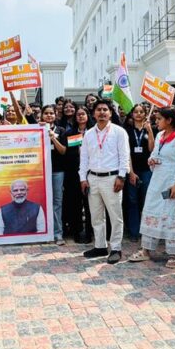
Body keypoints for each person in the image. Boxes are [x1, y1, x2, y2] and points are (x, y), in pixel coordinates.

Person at [130, 108, 175, 268]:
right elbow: (154, 155)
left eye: (159, 119)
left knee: (171, 214)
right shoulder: (159, 136)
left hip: (172, 181)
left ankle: (173, 254)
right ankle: (146, 250)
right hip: (156, 180)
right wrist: (151, 160)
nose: (156, 122)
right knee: (151, 211)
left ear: (169, 120)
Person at [79, 99, 131, 263]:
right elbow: (84, 158)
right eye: (98, 110)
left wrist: (121, 176)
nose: (102, 112)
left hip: (112, 179)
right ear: (93, 113)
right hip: (93, 179)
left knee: (115, 216)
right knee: (96, 215)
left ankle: (116, 248)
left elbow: (124, 156)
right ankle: (100, 246)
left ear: (110, 113)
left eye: (105, 110)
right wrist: (83, 178)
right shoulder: (88, 134)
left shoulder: (119, 132)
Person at [123, 104, 154, 242]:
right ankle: (134, 231)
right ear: (132, 114)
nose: (139, 114)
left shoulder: (151, 129)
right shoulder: (127, 131)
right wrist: (131, 172)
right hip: (132, 170)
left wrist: (150, 131)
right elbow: (126, 153)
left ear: (146, 114)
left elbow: (152, 149)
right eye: (136, 112)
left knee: (147, 200)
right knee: (132, 200)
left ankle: (147, 230)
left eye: (142, 112)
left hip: (147, 170)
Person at [62, 106, 92, 243]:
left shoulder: (93, 131)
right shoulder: (70, 133)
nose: (80, 116)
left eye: (83, 114)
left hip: (91, 172)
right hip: (74, 173)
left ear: (88, 115)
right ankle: (77, 231)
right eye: (78, 114)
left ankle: (89, 232)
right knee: (75, 204)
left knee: (90, 204)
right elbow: (66, 153)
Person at [42, 105, 67, 245]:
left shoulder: (61, 130)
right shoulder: (37, 128)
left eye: (51, 113)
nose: (49, 115)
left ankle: (58, 234)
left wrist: (53, 138)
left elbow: (63, 151)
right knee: (43, 202)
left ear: (56, 115)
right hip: (40, 172)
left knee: (57, 202)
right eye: (46, 113)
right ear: (42, 115)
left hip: (57, 171)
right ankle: (44, 233)